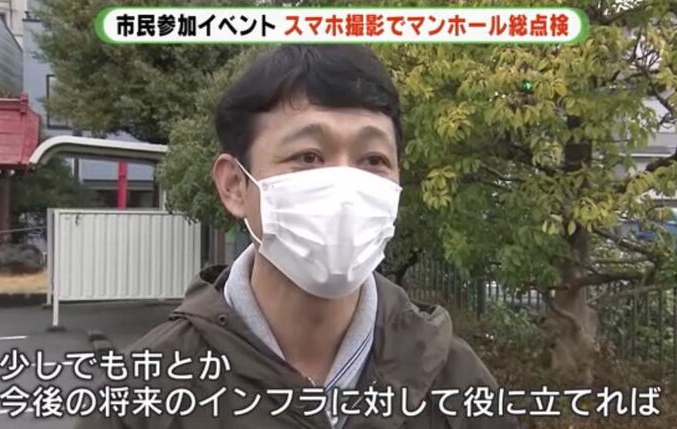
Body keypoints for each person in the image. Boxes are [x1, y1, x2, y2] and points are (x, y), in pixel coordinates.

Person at [75, 44, 519, 429]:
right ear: (234, 185)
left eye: (373, 160)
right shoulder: (142, 394)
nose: (345, 190)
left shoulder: (455, 380)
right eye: (308, 156)